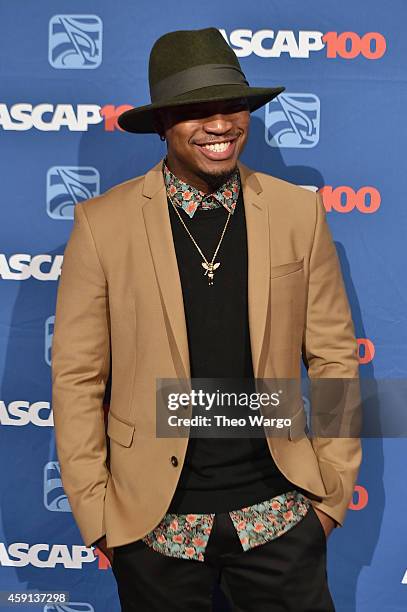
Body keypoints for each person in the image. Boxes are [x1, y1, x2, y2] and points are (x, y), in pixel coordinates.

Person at [51, 27, 362, 611]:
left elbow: (334, 357)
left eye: (232, 106)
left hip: (281, 515)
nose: (220, 125)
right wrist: (99, 517)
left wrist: (330, 494)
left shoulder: (298, 212)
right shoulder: (103, 223)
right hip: (154, 528)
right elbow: (77, 379)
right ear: (163, 123)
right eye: (196, 111)